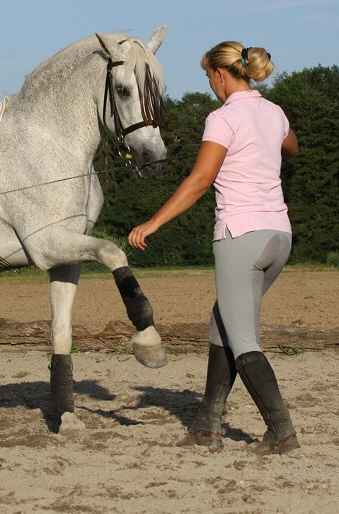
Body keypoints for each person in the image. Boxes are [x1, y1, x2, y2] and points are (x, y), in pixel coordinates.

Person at [127, 41, 300, 455]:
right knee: (223, 324)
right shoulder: (272, 112)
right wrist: (258, 143)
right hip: (279, 236)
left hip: (241, 237)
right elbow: (290, 147)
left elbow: (200, 181)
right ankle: (207, 424)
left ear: (222, 74)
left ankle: (281, 432)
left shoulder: (222, 118)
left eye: (208, 76)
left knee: (243, 340)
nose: (209, 85)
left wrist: (153, 223)